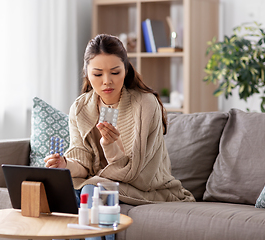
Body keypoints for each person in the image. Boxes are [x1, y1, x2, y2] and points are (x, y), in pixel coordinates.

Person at [44, 34, 195, 238]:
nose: (107, 81)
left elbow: (135, 172)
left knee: (91, 191)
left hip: (145, 186)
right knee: (58, 193)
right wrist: (65, 165)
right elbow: (83, 162)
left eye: (115, 72)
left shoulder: (145, 105)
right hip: (99, 182)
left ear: (125, 69)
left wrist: (110, 145)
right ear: (87, 74)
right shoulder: (80, 108)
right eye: (97, 74)